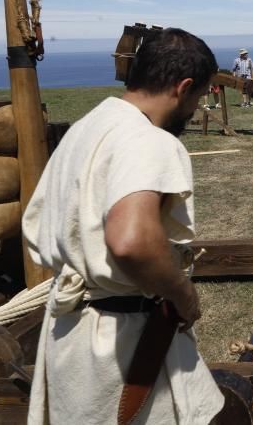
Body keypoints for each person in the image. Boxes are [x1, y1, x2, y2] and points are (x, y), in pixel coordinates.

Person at [21, 28, 225, 424]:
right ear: (183, 88)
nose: (196, 108)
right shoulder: (147, 139)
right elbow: (131, 240)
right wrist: (184, 295)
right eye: (199, 97)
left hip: (71, 338)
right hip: (122, 343)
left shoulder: (86, 127)